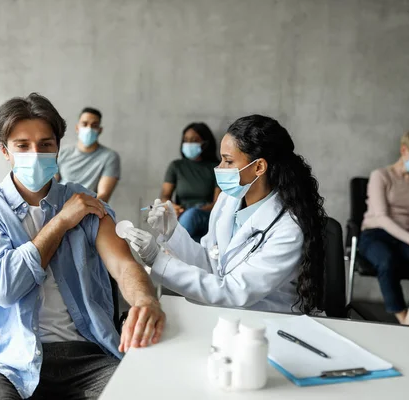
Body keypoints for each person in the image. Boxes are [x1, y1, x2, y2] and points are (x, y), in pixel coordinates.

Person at [0, 93, 165, 400]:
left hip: (87, 356)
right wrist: (61, 221)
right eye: (22, 145)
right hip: (5, 361)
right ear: (5, 151)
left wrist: (145, 300)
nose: (35, 153)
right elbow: (6, 286)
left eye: (45, 144)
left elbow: (123, 265)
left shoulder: (87, 202)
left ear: (57, 147)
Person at [126, 115, 326, 314]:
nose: (219, 168)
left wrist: (157, 259)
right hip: (230, 317)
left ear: (258, 167)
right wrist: (172, 232)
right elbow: (211, 263)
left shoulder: (288, 229)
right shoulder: (228, 201)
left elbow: (234, 292)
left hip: (271, 322)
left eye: (228, 161)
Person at [360, 129, 409, 326]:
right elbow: (382, 218)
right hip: (375, 235)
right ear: (404, 150)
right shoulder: (380, 176)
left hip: (405, 239)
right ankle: (403, 320)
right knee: (385, 260)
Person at [161, 122, 221, 242]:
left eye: (194, 140)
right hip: (181, 215)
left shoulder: (217, 168)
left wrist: (194, 211)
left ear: (205, 143)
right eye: (186, 140)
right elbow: (164, 196)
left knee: (191, 216)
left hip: (205, 215)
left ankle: (171, 248)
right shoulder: (176, 166)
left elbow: (218, 203)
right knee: (194, 241)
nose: (189, 143)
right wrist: (173, 207)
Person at [57, 107, 120, 203]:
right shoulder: (62, 152)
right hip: (58, 205)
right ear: (77, 128)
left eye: (94, 125)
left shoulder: (110, 157)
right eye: (84, 124)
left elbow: (104, 195)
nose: (89, 129)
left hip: (89, 209)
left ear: (100, 130)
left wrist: (81, 211)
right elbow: (50, 185)